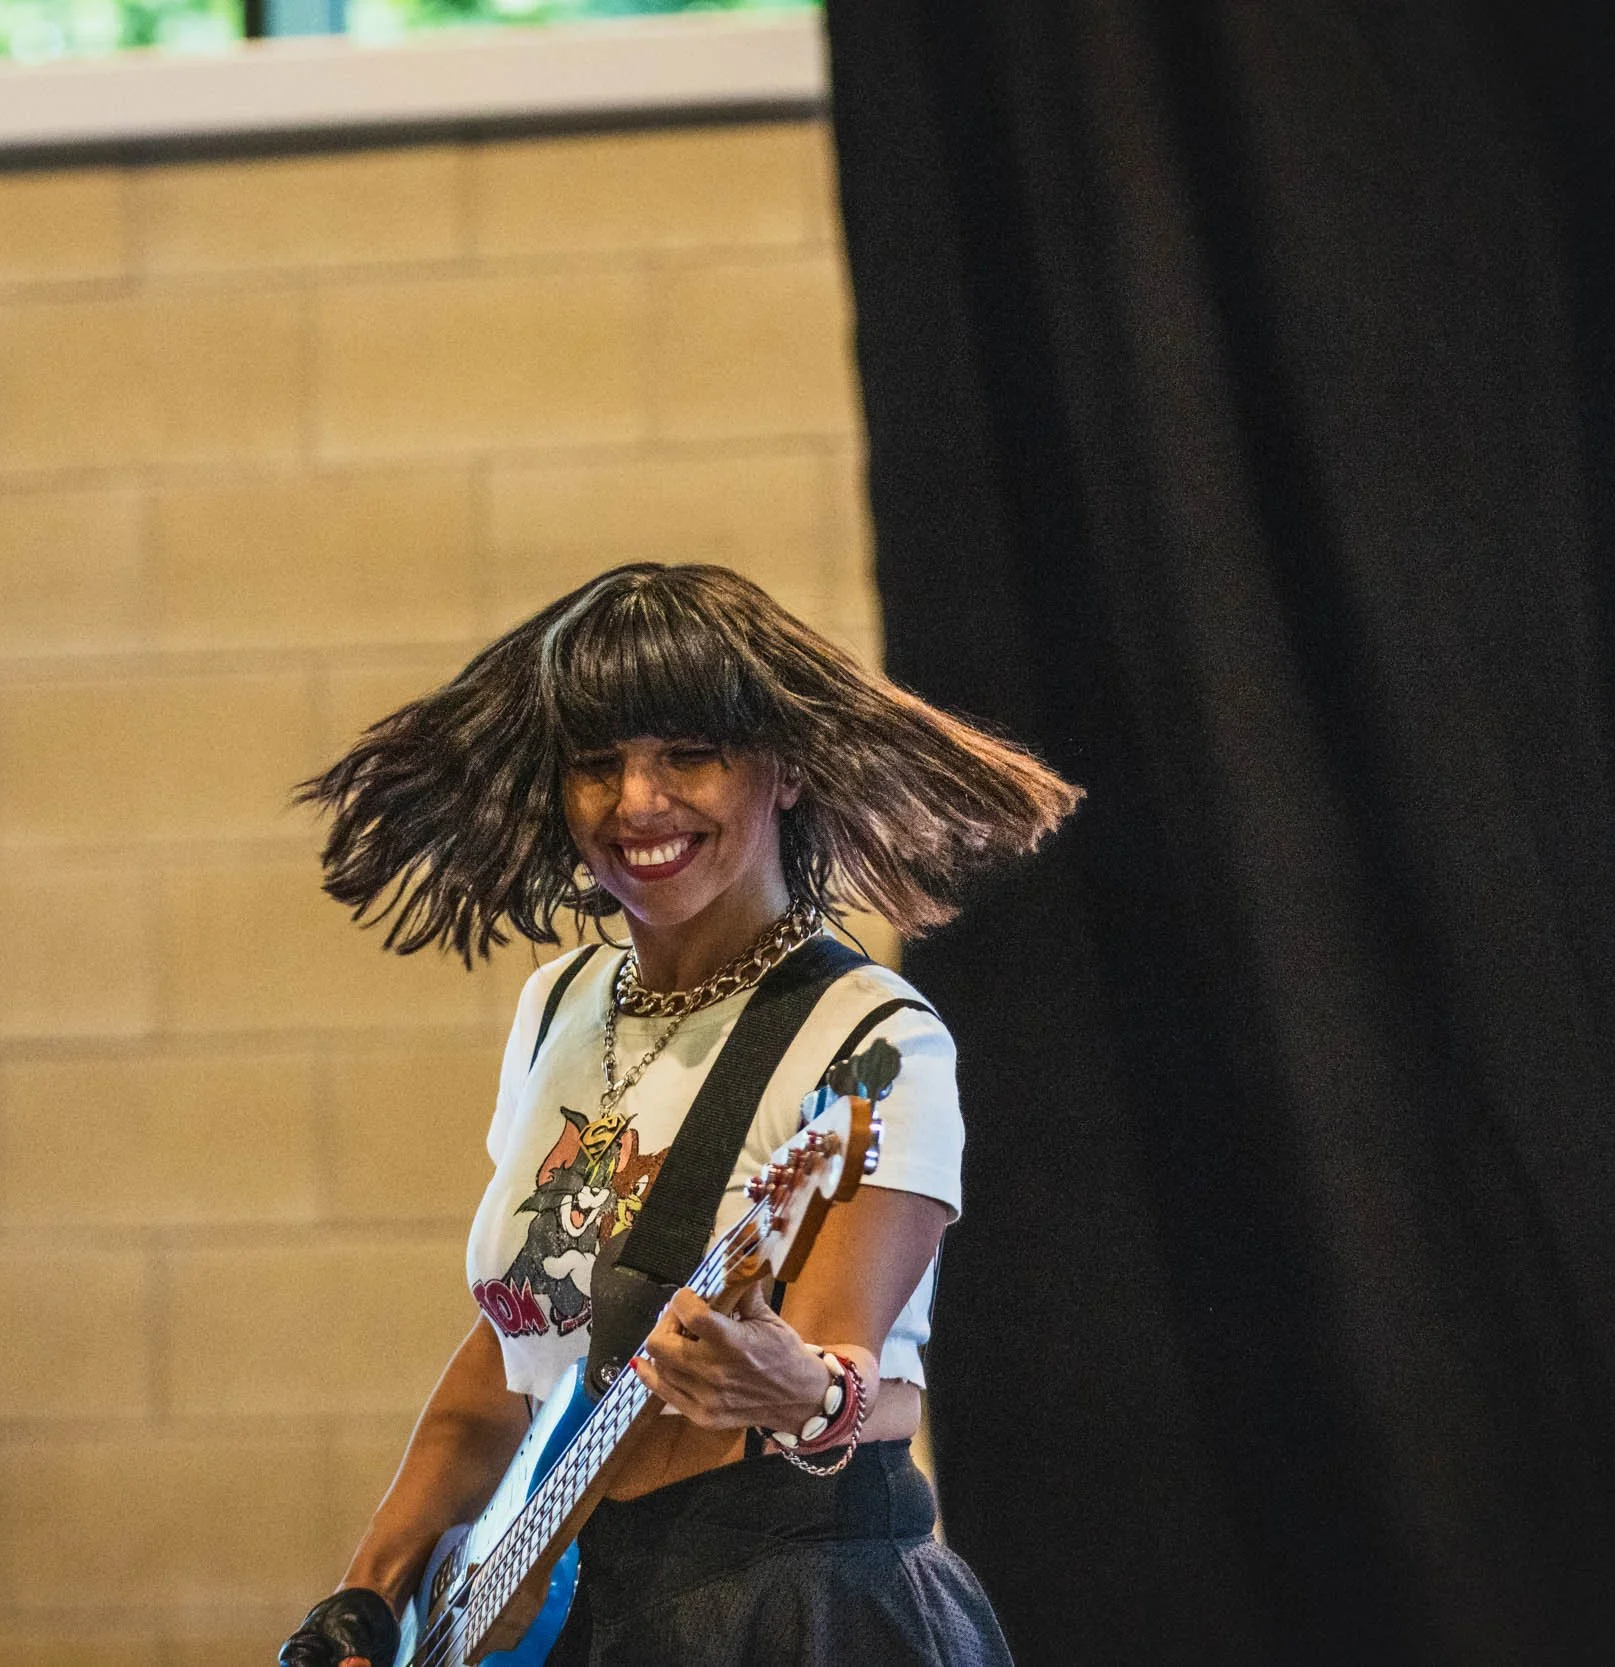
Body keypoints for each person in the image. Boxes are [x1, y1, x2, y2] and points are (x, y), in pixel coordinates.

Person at [279, 564, 1079, 1667]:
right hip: (571, 1609)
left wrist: (803, 1387)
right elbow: (521, 1342)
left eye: (687, 755)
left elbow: (852, 1370)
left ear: (786, 768)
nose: (636, 802)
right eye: (596, 765)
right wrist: (367, 1594)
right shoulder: (557, 1002)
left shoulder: (867, 1038)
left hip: (782, 1600)